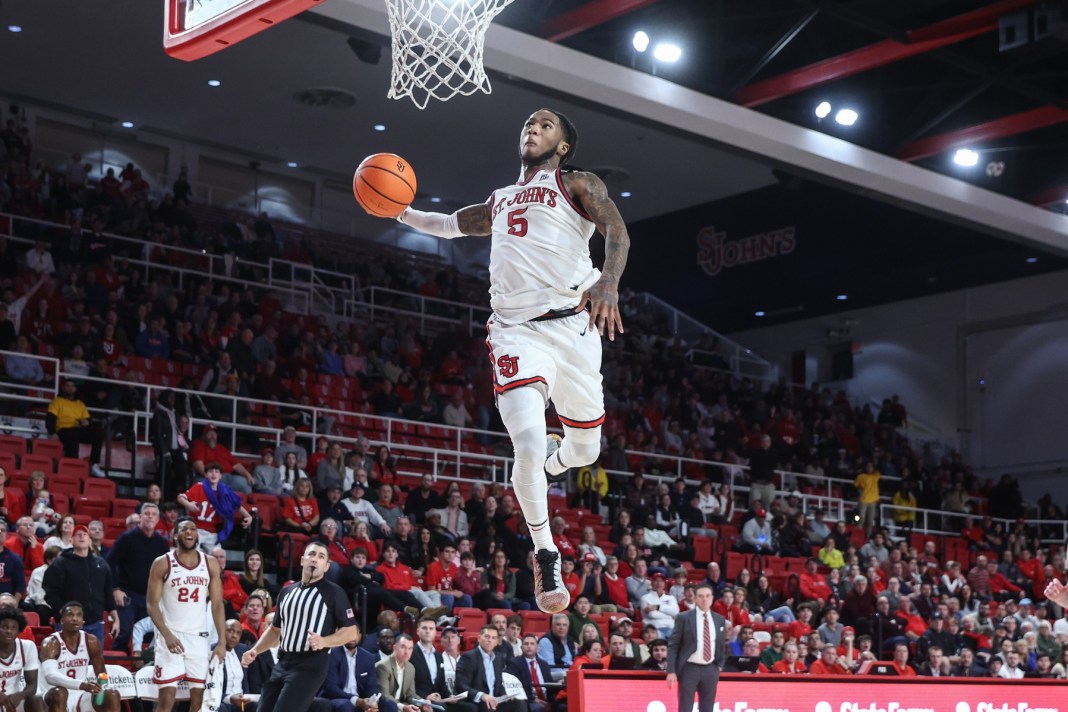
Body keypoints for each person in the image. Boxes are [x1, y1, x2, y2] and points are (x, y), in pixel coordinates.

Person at [389, 109, 630, 614]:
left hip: (574, 325)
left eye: (545, 125)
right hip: (515, 331)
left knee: (585, 451)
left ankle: (552, 462)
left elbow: (617, 232)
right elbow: (450, 225)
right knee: (525, 439)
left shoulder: (577, 183)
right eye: (528, 123)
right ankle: (545, 552)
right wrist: (399, 211)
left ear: (563, 145)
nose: (532, 128)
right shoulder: (500, 200)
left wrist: (608, 281)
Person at [241, 541, 360, 712]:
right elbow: (275, 630)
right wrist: (256, 650)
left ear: (327, 566)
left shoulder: (334, 592)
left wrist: (324, 641)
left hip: (311, 664)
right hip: (284, 661)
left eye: (321, 557)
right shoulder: (287, 592)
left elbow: (351, 631)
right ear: (303, 560)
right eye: (311, 554)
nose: (315, 559)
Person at [146, 518, 228, 712]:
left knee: (198, 699)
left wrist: (222, 642)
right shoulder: (162, 563)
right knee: (166, 698)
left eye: (193, 529)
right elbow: (151, 604)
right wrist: (166, 634)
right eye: (184, 529)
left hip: (198, 637)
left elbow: (217, 604)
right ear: (175, 536)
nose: (189, 532)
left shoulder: (210, 563)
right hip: (171, 636)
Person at [106, 503, 169, 653]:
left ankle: (144, 668)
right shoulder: (127, 538)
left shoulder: (162, 543)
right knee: (124, 631)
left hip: (152, 596)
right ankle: (116, 668)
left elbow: (167, 570)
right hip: (128, 594)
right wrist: (115, 589)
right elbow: (109, 563)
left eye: (153, 514)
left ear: (158, 519)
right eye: (146, 513)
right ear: (140, 517)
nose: (150, 516)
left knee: (150, 636)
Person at [38, 601, 121, 712]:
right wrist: (82, 685)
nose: (75, 618)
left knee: (112, 694)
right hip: (52, 695)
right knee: (60, 693)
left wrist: (102, 691)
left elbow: (102, 675)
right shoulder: (51, 642)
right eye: (70, 615)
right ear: (62, 620)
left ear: (83, 622)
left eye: (78, 615)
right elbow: (50, 676)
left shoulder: (91, 641)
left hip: (80, 695)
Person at [42, 525, 118, 643]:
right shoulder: (60, 563)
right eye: (78, 534)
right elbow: (50, 592)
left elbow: (108, 593)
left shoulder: (101, 564)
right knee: (67, 660)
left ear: (90, 541)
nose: (81, 536)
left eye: (85, 534)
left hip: (95, 623)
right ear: (71, 540)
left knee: (95, 661)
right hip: (68, 624)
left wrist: (116, 618)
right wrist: (64, 611)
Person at [666, 584, 726, 712]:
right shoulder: (684, 617)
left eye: (707, 596)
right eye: (701, 596)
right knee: (685, 708)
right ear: (696, 599)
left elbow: (721, 644)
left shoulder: (719, 619)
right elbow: (673, 645)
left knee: (708, 708)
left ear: (712, 598)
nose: (704, 599)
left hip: (711, 668)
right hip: (689, 668)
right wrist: (671, 670)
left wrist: (719, 664)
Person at [177, 462, 253, 553]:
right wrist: (188, 504)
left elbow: (236, 505)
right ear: (205, 475)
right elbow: (180, 498)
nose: (213, 474)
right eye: (210, 471)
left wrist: (248, 516)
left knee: (219, 555)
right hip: (195, 529)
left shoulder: (225, 491)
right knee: (194, 553)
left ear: (220, 476)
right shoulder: (199, 487)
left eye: (216, 472)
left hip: (212, 532)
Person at [318, 622, 390, 712]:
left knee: (389, 705)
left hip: (361, 699)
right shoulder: (331, 654)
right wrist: (356, 700)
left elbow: (371, 685)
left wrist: (372, 701)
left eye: (354, 634)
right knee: (347, 706)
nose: (351, 637)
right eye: (348, 634)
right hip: (336, 698)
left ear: (359, 636)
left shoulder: (368, 657)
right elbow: (331, 688)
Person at [453, 625, 524, 712]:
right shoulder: (468, 657)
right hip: (477, 701)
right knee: (487, 707)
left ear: (497, 642)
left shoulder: (498, 658)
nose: (490, 640)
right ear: (479, 638)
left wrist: (505, 695)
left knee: (519, 703)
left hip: (495, 701)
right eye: (487, 636)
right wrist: (482, 696)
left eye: (493, 638)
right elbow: (461, 686)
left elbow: (498, 684)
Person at [47, 379, 106, 478]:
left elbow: (88, 420)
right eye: (68, 386)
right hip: (64, 429)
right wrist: (52, 432)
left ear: (75, 389)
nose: (70, 388)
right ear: (63, 388)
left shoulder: (80, 404)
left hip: (77, 428)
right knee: (72, 436)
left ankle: (94, 465)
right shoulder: (57, 402)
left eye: (72, 386)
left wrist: (86, 423)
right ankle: (71, 466)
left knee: (97, 437)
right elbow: (50, 419)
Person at [0, 606, 40, 712]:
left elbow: (32, 684)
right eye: (4, 626)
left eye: (13, 628)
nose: (9, 631)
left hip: (14, 699)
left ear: (19, 631)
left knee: (35, 699)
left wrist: (20, 695)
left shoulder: (27, 647)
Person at [375, 634, 428, 712]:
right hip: (386, 707)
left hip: (403, 705)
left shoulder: (411, 668)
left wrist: (423, 702)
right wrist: (403, 707)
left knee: (428, 709)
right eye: (403, 647)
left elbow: (411, 695)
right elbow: (384, 696)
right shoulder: (383, 666)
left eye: (410, 648)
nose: (407, 652)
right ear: (395, 648)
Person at [506, 633, 555, 712]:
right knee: (537, 708)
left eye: (532, 644)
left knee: (563, 706)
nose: (529, 646)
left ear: (537, 648)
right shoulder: (515, 663)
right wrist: (534, 700)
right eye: (526, 644)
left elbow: (550, 685)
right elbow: (516, 688)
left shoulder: (544, 664)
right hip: (529, 700)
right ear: (521, 648)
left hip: (547, 700)